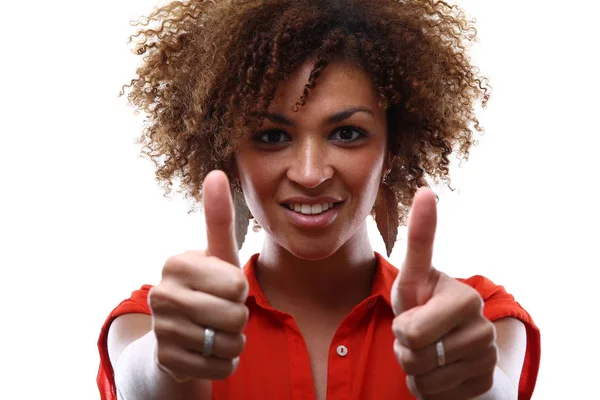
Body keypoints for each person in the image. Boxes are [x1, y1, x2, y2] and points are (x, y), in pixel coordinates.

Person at [97, 0, 541, 399]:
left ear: (392, 150)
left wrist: (472, 388)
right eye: (271, 136)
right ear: (230, 158)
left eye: (347, 134)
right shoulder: (159, 319)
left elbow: (494, 390)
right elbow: (142, 383)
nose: (310, 174)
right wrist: (166, 363)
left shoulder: (480, 319)